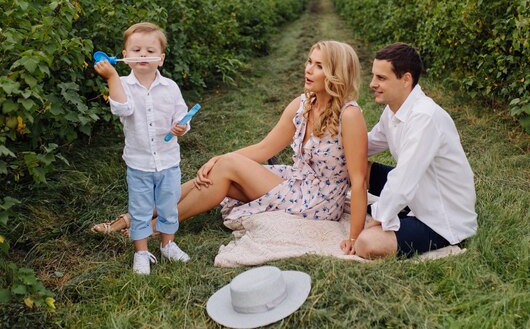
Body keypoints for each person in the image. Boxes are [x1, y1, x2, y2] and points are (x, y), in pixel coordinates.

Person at [92, 40, 369, 254]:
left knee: (227, 167)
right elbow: (263, 149)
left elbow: (358, 182)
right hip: (297, 182)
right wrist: (216, 158)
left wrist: (354, 237)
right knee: (220, 174)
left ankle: (149, 228)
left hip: (318, 201)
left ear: (335, 73)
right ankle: (134, 219)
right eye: (309, 61)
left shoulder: (349, 115)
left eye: (319, 65)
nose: (309, 69)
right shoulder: (302, 104)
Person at [353, 42, 477, 259]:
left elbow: (403, 180)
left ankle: (401, 221)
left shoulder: (424, 117)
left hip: (441, 218)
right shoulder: (393, 111)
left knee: (367, 243)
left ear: (406, 79)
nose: (372, 84)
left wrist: (376, 222)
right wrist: (329, 146)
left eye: (381, 78)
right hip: (417, 194)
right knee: (357, 165)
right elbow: (364, 146)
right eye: (373, 76)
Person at [93, 22, 191, 275]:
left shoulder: (170, 87)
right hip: (139, 164)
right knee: (140, 210)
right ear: (124, 57)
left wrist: (181, 126)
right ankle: (141, 252)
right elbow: (122, 109)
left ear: (161, 59)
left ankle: (168, 245)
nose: (143, 55)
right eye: (136, 50)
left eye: (149, 51)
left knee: (169, 206)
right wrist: (112, 77)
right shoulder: (122, 85)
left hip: (168, 162)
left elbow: (182, 115)